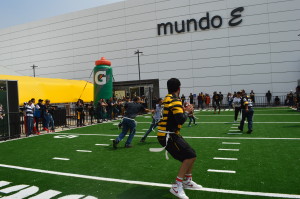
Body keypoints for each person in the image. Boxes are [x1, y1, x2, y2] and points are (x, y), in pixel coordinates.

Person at [157, 78, 202, 199]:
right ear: (179, 88)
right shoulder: (175, 100)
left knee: (191, 155)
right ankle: (177, 186)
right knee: (190, 156)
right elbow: (180, 119)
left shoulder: (167, 98)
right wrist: (187, 111)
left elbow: (173, 114)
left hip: (168, 133)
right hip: (168, 135)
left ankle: (187, 180)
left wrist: (185, 110)